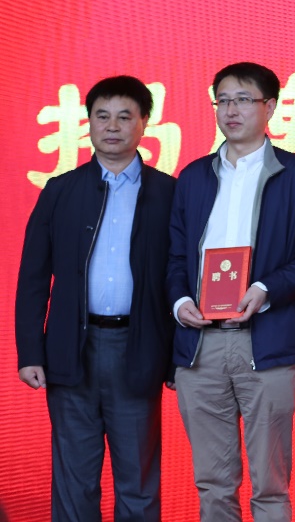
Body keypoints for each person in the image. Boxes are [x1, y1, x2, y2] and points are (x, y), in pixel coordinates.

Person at [167, 62, 295, 521]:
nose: (231, 110)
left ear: (270, 107)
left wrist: (265, 288)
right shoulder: (193, 177)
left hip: (268, 342)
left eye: (243, 99)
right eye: (222, 100)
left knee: (270, 484)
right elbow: (174, 256)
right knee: (212, 483)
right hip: (200, 346)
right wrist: (180, 303)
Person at [15, 75, 176, 521]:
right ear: (88, 123)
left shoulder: (169, 193)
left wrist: (177, 358)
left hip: (138, 350)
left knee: (138, 482)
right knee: (74, 482)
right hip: (71, 350)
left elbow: (181, 279)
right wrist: (30, 352)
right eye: (102, 116)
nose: (112, 126)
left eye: (125, 116)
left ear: (145, 122)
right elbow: (32, 279)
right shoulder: (60, 190)